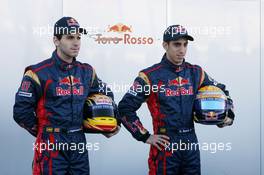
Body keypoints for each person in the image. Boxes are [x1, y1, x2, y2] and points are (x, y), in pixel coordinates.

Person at [118, 25, 235, 175]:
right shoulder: (149, 76)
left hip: (190, 143)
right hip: (165, 144)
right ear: (165, 45)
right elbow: (125, 108)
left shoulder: (196, 72)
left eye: (185, 44)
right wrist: (145, 136)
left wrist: (227, 117)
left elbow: (222, 91)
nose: (182, 50)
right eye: (177, 44)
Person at [13, 16, 120, 175]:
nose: (76, 42)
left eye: (78, 37)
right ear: (56, 40)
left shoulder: (87, 71)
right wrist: (44, 133)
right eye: (70, 37)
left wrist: (114, 123)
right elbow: (21, 112)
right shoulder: (37, 72)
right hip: (50, 143)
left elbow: (106, 96)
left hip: (78, 142)